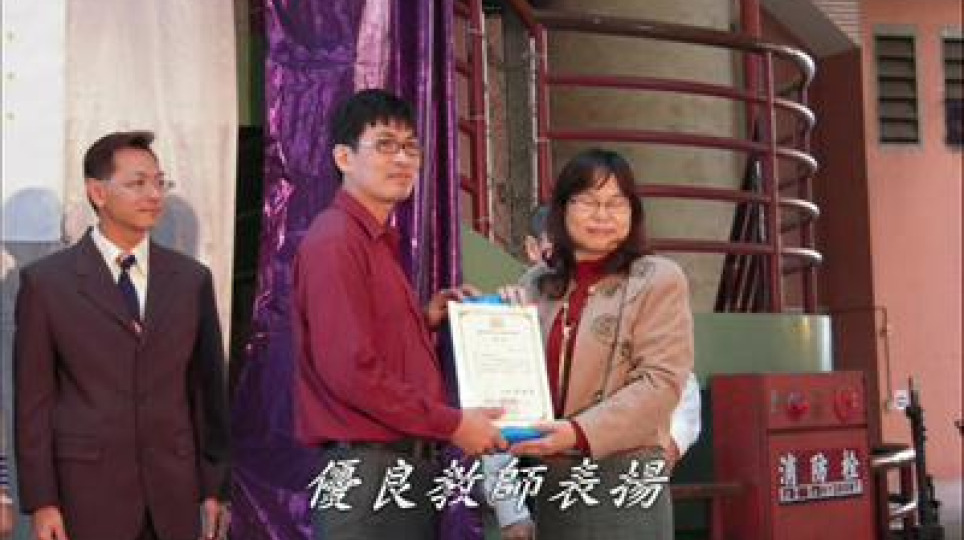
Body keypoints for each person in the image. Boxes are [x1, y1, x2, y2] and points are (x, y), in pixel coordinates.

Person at [292, 88, 506, 540]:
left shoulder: (374, 241)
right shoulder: (336, 240)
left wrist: (423, 319)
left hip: (394, 469)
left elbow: (369, 342)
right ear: (344, 158)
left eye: (411, 147)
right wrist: (454, 424)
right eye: (385, 145)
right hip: (367, 471)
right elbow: (350, 370)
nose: (403, 159)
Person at [13, 131, 230, 540]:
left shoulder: (190, 280)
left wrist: (214, 487)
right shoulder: (48, 284)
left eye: (159, 182)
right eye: (137, 183)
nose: (153, 195)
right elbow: (33, 403)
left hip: (174, 494)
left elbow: (206, 393)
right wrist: (43, 502)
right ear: (98, 192)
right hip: (87, 496)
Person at [503, 148, 694, 539]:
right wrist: (501, 321)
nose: (603, 215)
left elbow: (660, 383)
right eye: (589, 201)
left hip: (627, 481)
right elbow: (514, 379)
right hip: (556, 485)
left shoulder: (659, 279)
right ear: (562, 209)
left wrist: (577, 432)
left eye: (616, 203)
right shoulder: (535, 285)